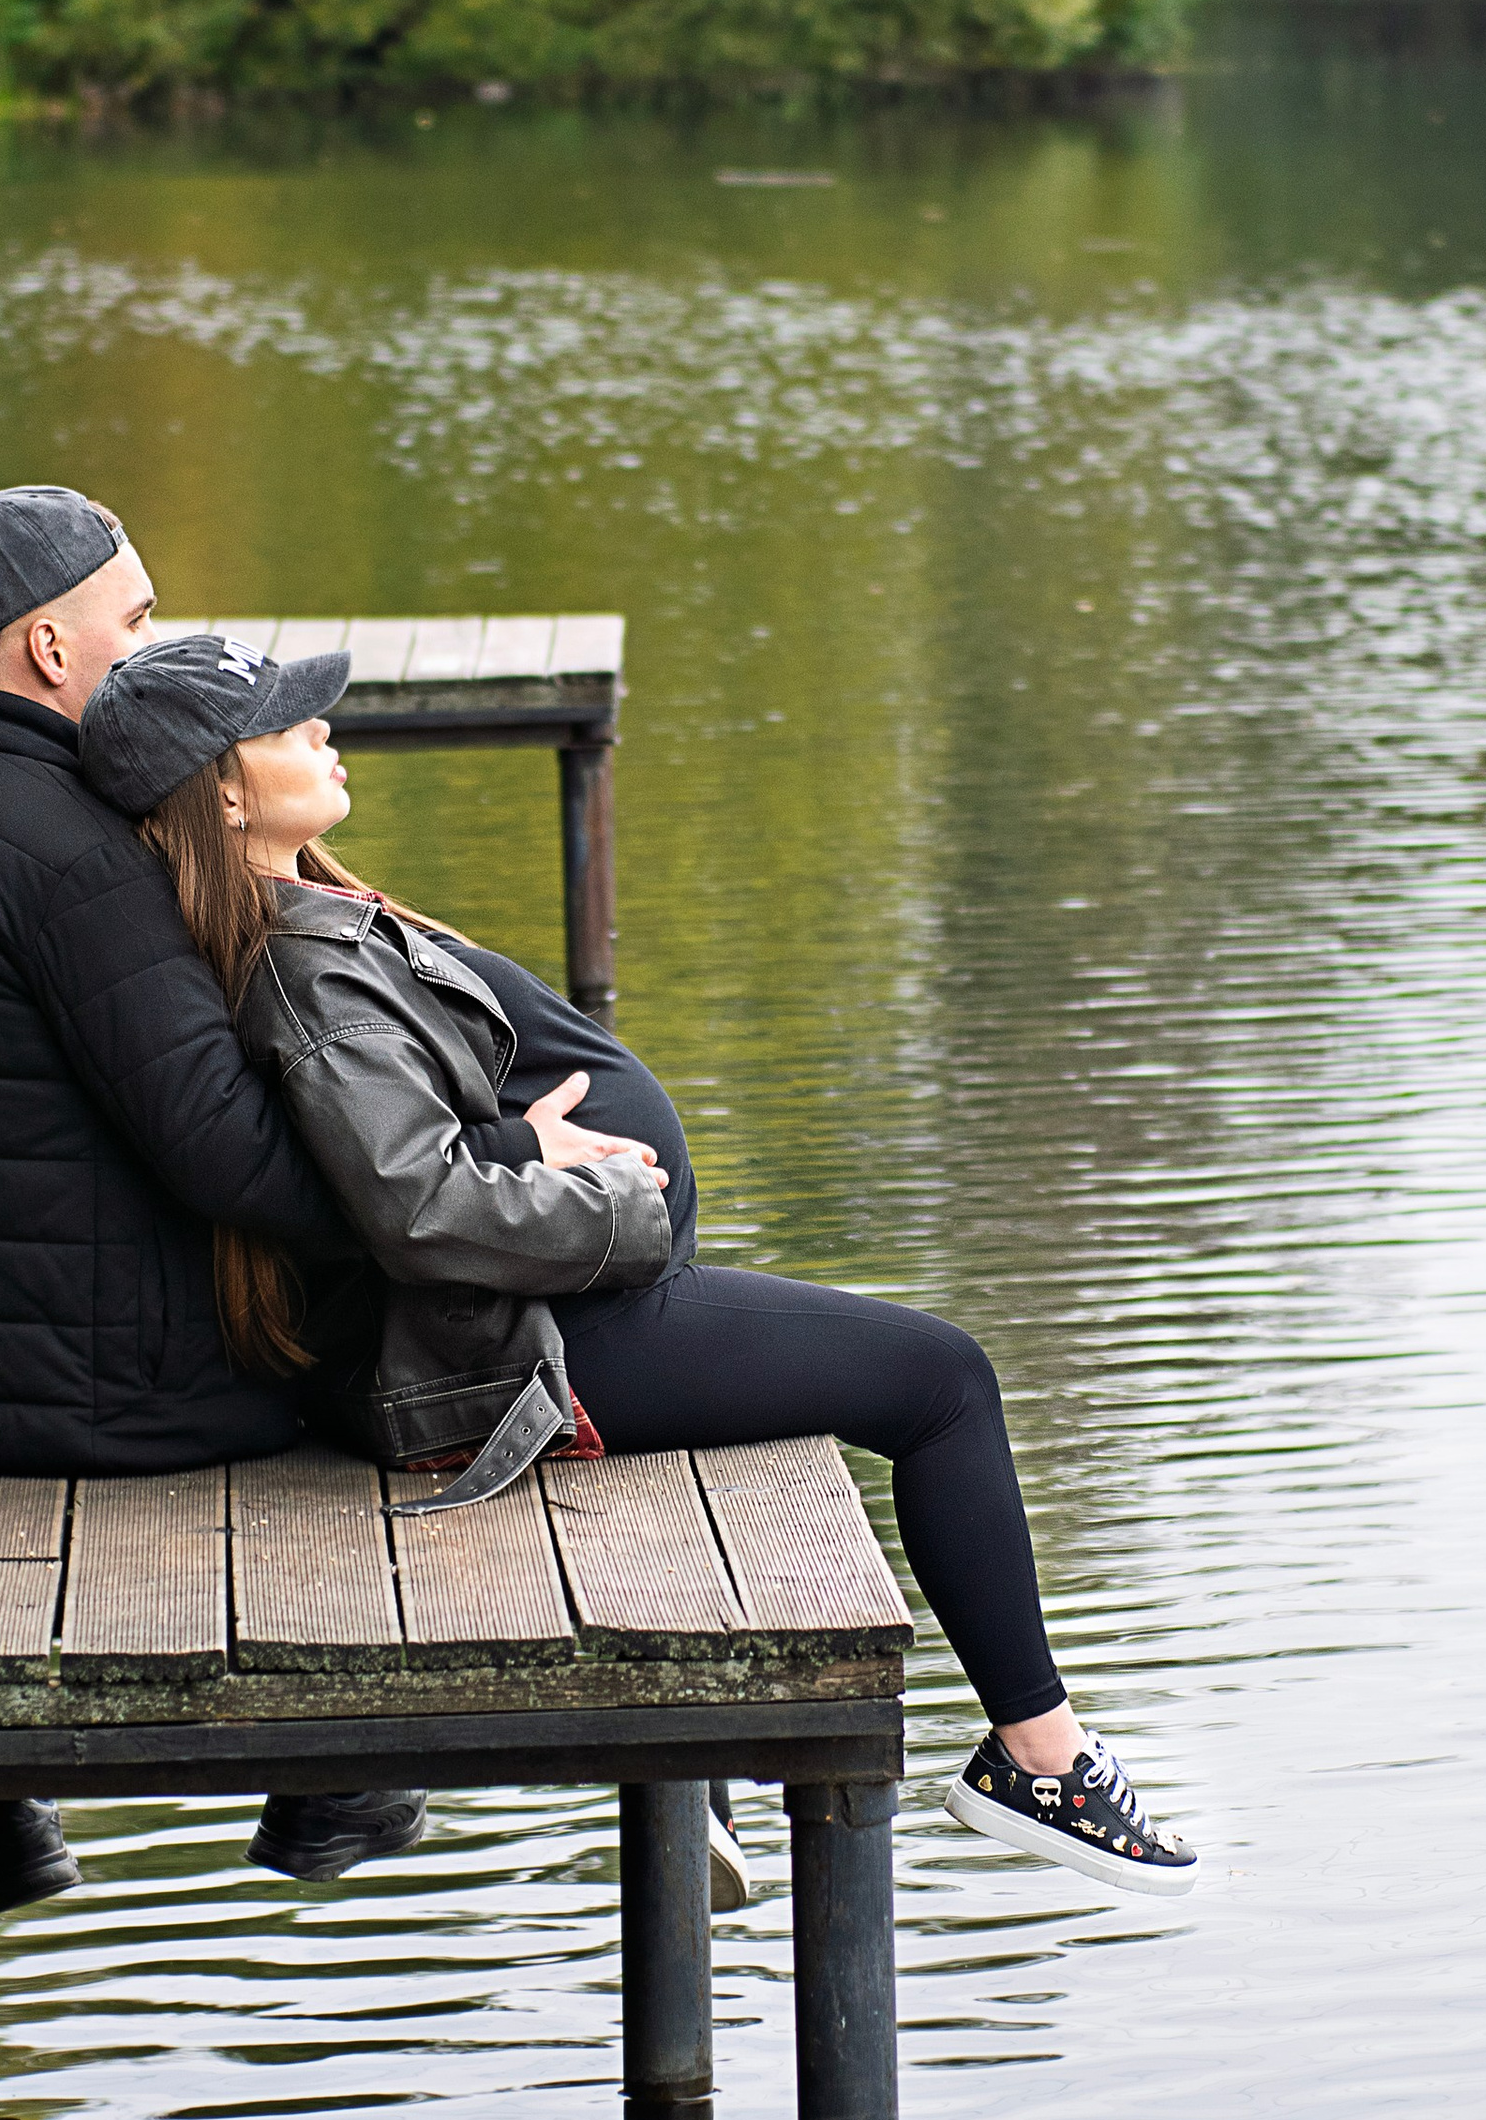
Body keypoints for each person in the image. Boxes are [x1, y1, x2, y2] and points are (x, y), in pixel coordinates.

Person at [78, 636, 1199, 1897]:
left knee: (791, 1398)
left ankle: (706, 1771)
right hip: (540, 1347)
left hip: (561, 1314)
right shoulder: (302, 967)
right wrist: (620, 1202)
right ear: (222, 791)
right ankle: (1036, 1760)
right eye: (289, 726)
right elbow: (416, 1206)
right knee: (941, 1382)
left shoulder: (314, 914)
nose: (326, 730)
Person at [0, 487, 673, 1903]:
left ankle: (5, 1801)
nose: (145, 647)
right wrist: (494, 1164)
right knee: (348, 1326)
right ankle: (344, 1772)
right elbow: (232, 1156)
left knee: (92, 1241)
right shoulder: (76, 858)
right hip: (85, 1408)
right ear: (52, 653)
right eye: (130, 624)